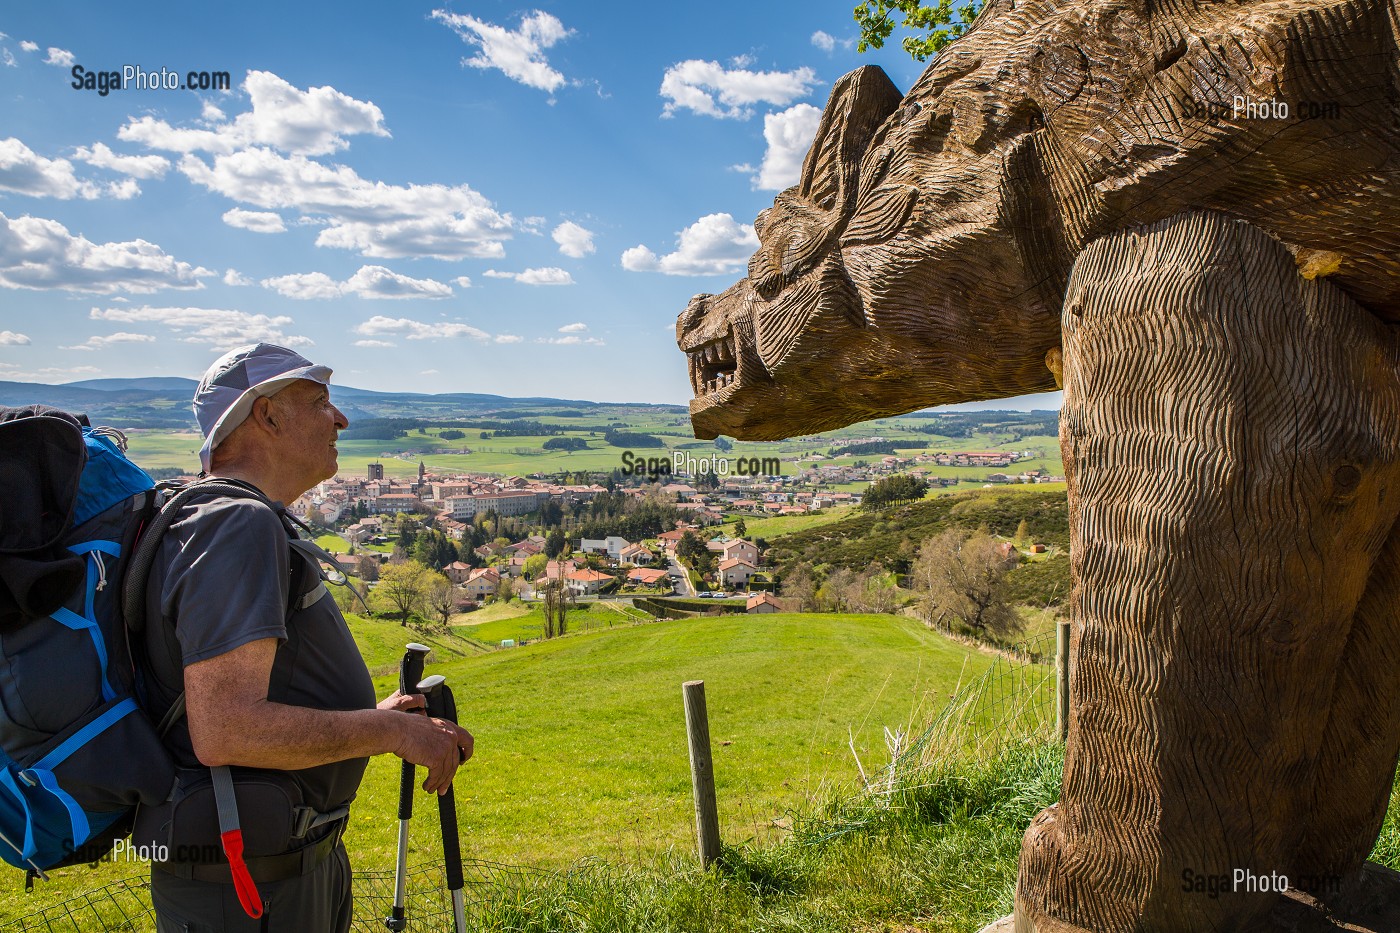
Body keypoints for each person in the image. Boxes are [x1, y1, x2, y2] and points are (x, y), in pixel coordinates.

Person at [136, 343, 473, 932]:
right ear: (266, 416)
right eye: (320, 402)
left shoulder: (216, 517)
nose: (340, 418)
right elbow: (225, 729)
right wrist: (391, 731)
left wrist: (374, 720)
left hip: (270, 866)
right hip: (249, 887)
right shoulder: (237, 523)